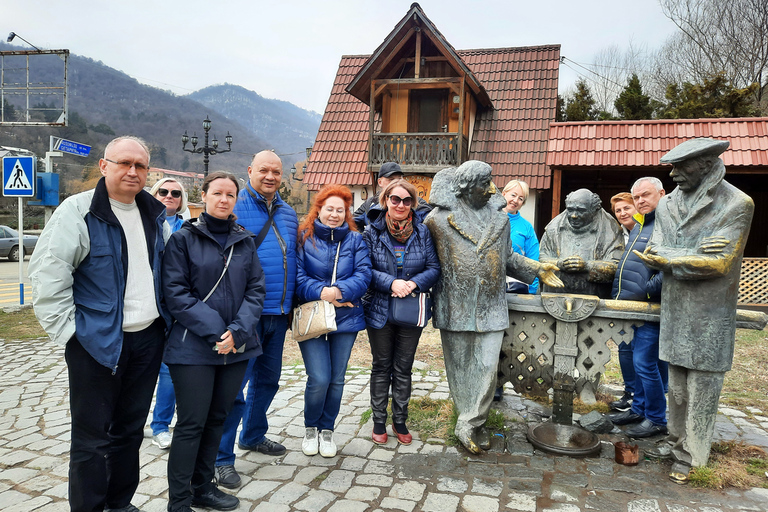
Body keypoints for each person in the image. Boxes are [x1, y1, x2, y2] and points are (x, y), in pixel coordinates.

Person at [29, 136, 171, 512]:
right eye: (124, 163)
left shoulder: (154, 215)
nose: (132, 171)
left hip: (146, 340)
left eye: (140, 166)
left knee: (129, 432)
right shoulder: (77, 212)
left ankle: (119, 504)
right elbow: (48, 277)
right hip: (95, 344)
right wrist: (73, 335)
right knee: (91, 439)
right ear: (104, 166)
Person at [637, 138, 754, 483]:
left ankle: (695, 455)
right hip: (675, 309)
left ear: (704, 165)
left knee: (702, 389)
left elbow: (718, 263)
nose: (672, 175)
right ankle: (675, 441)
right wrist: (688, 254)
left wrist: (673, 258)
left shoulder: (736, 203)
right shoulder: (669, 203)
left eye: (680, 167)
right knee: (679, 387)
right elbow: (654, 249)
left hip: (710, 314)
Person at [425, 161, 562, 453]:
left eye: (491, 182)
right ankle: (469, 423)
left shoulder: (500, 220)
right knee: (460, 369)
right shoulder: (437, 220)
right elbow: (426, 260)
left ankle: (472, 421)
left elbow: (509, 257)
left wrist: (536, 268)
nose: (491, 189)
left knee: (486, 368)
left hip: (491, 305)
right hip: (455, 305)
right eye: (483, 183)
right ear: (465, 188)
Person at [162, 171, 266, 512]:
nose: (224, 200)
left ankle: (202, 488)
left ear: (236, 200)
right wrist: (217, 332)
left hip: (236, 348)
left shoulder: (245, 240)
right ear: (203, 196)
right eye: (217, 193)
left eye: (230, 195)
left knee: (217, 419)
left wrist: (236, 332)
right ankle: (179, 501)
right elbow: (176, 294)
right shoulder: (183, 239)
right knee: (192, 423)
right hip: (193, 346)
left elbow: (256, 291)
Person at [215, 150, 298, 489]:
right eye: (263, 170)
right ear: (250, 171)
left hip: (278, 315)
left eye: (276, 171)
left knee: (268, 380)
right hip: (244, 316)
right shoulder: (234, 207)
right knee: (233, 389)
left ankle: (253, 435)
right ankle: (221, 458)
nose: (270, 176)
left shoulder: (290, 213)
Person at [362, 179, 440, 446]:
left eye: (407, 201)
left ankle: (400, 420)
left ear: (413, 204)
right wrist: (390, 283)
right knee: (381, 366)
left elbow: (433, 267)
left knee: (403, 368)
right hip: (379, 309)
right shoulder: (372, 231)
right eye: (395, 199)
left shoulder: (422, 231)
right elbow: (365, 269)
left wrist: (413, 283)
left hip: (410, 308)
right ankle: (378, 422)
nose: (401, 205)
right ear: (386, 200)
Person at [295, 185, 372, 457]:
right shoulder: (304, 237)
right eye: (330, 209)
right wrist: (322, 293)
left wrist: (339, 291)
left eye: (340, 210)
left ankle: (327, 429)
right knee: (319, 377)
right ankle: (310, 427)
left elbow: (364, 275)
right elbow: (297, 276)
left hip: (346, 318)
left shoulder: (355, 240)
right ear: (319, 209)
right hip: (313, 315)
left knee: (337, 378)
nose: (335, 215)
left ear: (346, 213)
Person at [607, 177, 669, 439]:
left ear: (662, 194)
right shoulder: (640, 226)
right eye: (637, 197)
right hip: (629, 307)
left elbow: (670, 267)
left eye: (646, 195)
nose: (641, 201)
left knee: (645, 363)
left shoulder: (667, 225)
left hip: (648, 307)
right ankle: (638, 408)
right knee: (634, 360)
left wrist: (648, 289)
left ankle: (656, 419)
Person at [148, 178, 188, 449]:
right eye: (163, 191)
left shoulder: (187, 229)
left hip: (174, 310)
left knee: (168, 370)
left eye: (175, 193)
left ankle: (160, 425)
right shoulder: (143, 223)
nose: (169, 196)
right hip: (146, 307)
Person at [495, 179, 539, 401]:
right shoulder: (491, 218)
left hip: (514, 288)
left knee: (506, 339)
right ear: (503, 193)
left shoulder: (525, 227)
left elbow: (533, 258)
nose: (515, 201)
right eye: (513, 195)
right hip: (491, 288)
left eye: (521, 198)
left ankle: (499, 383)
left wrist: (533, 288)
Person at [539, 188, 624, 298]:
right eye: (570, 210)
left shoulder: (611, 229)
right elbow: (541, 260)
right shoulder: (553, 229)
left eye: (581, 210)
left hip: (596, 301)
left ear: (594, 210)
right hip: (554, 298)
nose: (574, 215)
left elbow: (617, 268)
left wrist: (587, 266)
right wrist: (560, 264)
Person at [608, 191, 639, 411]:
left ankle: (643, 398)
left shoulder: (645, 232)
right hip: (623, 299)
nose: (622, 213)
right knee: (625, 349)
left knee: (643, 353)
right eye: (618, 210)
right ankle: (630, 392)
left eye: (626, 208)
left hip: (643, 299)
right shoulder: (619, 236)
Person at [353, 162, 432, 231]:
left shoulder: (416, 202)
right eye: (391, 179)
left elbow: (431, 222)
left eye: (399, 179)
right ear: (380, 182)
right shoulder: (370, 204)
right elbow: (352, 222)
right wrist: (363, 241)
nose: (395, 183)